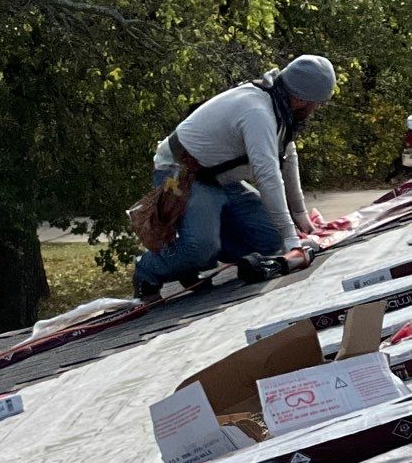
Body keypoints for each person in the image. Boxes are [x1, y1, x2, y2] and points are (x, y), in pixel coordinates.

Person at [133, 54, 337, 296]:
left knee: (270, 239)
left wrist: (300, 216)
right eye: (317, 103)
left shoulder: (280, 109)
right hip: (179, 172)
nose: (316, 109)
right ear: (303, 99)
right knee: (201, 245)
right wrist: (292, 240)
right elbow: (267, 175)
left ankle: (195, 258)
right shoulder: (258, 112)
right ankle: (149, 269)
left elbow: (287, 155)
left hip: (217, 178)